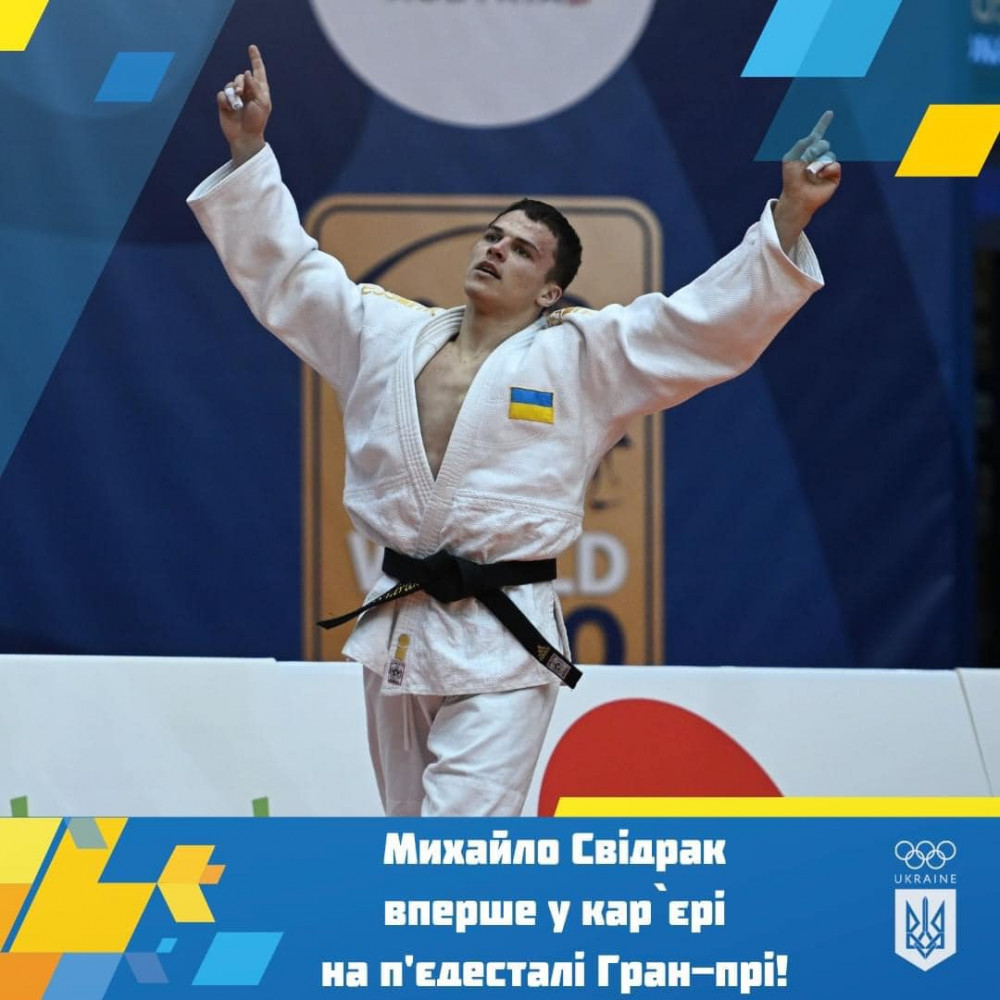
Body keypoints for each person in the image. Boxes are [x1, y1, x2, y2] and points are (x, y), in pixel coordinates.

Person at [187, 45, 841, 818]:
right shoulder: (386, 334)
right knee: (409, 845)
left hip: (503, 633)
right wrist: (250, 152)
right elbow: (293, 278)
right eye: (493, 237)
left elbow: (696, 327)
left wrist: (789, 216)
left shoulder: (582, 355)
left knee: (460, 848)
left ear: (551, 292)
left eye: (522, 249)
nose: (497, 248)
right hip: (401, 622)